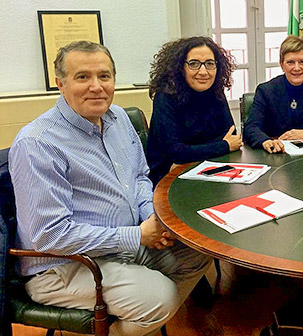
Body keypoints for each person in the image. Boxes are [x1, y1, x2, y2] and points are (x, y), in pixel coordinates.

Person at [8, 41, 211, 335]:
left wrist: (150, 219)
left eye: (104, 76)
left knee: (198, 251)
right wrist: (137, 235)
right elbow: (49, 236)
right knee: (160, 298)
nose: (96, 86)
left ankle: (140, 320)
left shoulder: (118, 121)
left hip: (124, 242)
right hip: (63, 266)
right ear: (60, 84)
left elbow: (140, 177)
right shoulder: (38, 143)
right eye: (82, 77)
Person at [146, 36, 241, 186]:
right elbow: (174, 151)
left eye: (209, 64)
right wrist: (222, 146)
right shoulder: (165, 96)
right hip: (168, 177)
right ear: (180, 68)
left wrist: (191, 152)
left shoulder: (216, 91)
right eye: (194, 64)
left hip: (210, 168)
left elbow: (232, 137)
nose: (203, 71)